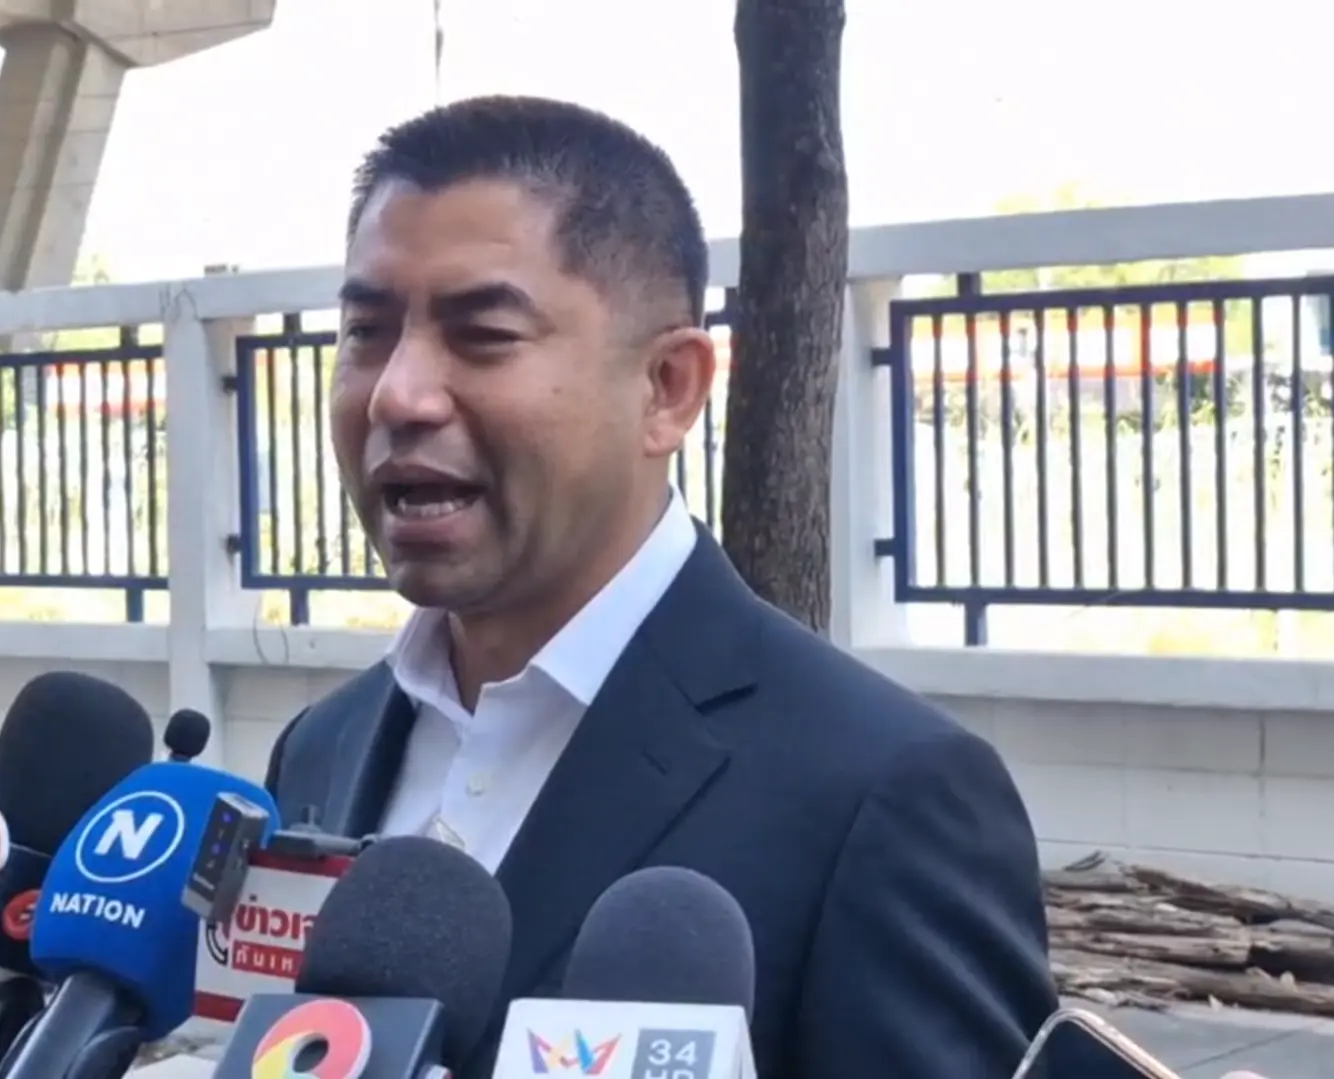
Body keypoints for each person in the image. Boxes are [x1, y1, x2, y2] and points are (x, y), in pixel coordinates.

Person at [262, 94, 1059, 1079]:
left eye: (483, 334)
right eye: (366, 331)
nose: (397, 393)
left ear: (667, 387)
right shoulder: (322, 747)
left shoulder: (880, 794)